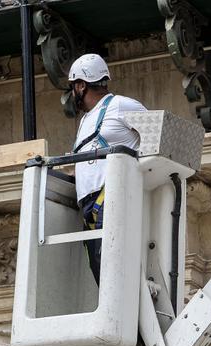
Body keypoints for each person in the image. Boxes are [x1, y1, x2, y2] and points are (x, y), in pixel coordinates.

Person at [68, 53, 147, 284]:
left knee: (114, 271)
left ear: (82, 85)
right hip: (90, 207)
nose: (73, 93)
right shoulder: (86, 121)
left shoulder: (121, 105)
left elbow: (159, 136)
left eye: (74, 87)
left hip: (111, 199)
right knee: (101, 274)